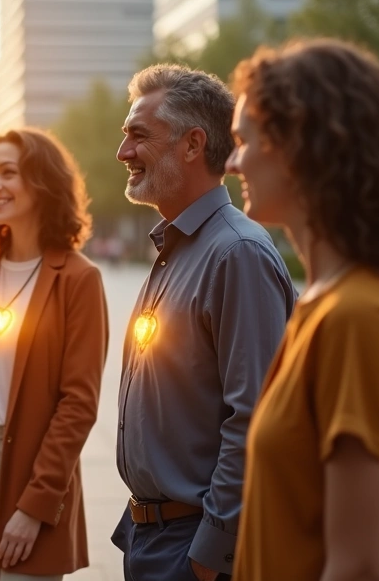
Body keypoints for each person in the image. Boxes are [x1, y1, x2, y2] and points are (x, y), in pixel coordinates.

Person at [226, 38, 379, 581]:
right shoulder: (326, 303)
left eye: (242, 141)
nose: (232, 162)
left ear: (298, 145)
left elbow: (356, 567)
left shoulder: (357, 319)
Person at [111, 64, 295, 581]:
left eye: (138, 136)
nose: (123, 152)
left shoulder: (236, 254)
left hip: (194, 551)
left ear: (193, 145)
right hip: (156, 539)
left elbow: (255, 418)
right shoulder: (178, 247)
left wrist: (208, 557)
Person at [0, 128, 108, 580]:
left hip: (35, 465)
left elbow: (79, 404)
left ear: (42, 181)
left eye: (8, 173)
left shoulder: (77, 279)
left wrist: (36, 505)